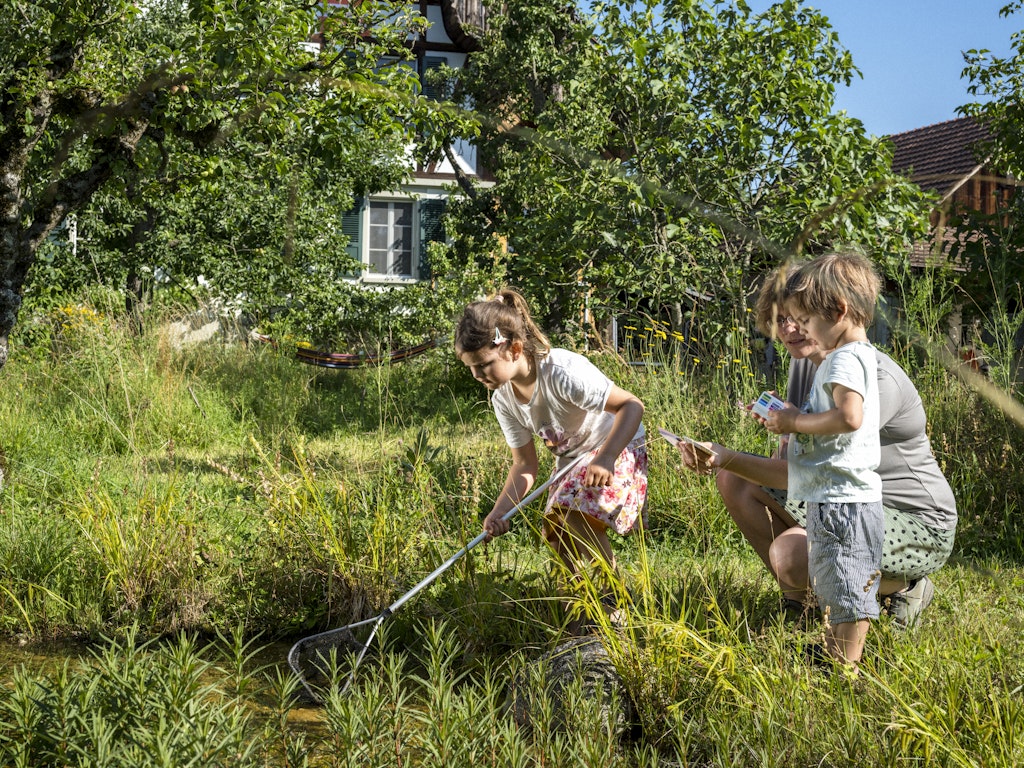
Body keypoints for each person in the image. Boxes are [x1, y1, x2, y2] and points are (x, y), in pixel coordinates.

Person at [678, 261, 957, 633]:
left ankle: (904, 586)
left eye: (800, 317)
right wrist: (782, 432)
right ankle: (803, 603)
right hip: (844, 498)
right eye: (782, 319)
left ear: (835, 313)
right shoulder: (809, 366)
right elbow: (796, 464)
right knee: (737, 480)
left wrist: (727, 456)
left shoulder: (873, 375)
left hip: (914, 522)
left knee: (791, 553)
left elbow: (816, 470)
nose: (790, 329)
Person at [454, 288, 648, 628]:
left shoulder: (562, 372)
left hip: (615, 442)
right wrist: (499, 512)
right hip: (572, 459)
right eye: (472, 368)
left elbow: (632, 406)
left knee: (571, 513)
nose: (478, 375)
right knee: (557, 532)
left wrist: (607, 457)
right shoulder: (503, 400)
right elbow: (525, 465)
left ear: (513, 349)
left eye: (485, 364)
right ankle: (582, 606)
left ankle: (613, 598)